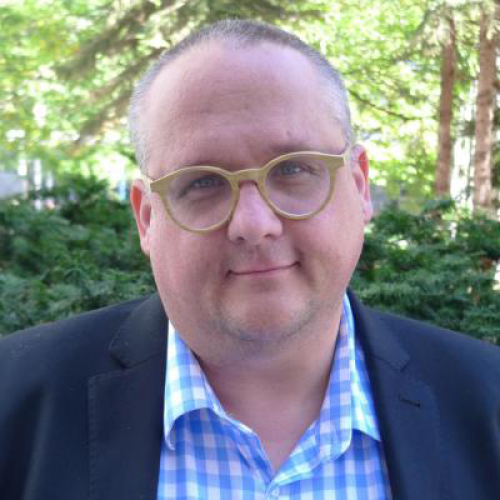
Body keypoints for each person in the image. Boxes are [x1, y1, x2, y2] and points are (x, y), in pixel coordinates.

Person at [0, 19, 499, 500]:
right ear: (147, 217)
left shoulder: (489, 404)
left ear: (359, 184)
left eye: (294, 170)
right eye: (203, 182)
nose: (254, 223)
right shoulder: (13, 405)